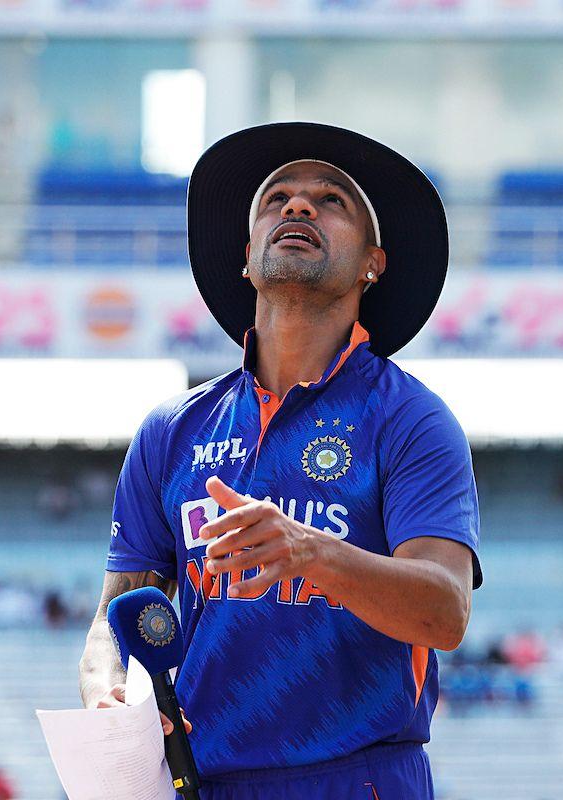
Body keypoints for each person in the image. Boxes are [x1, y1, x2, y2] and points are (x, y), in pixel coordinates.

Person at [78, 122, 481, 799]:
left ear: (372, 264)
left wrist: (307, 550)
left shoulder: (413, 419)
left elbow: (445, 614)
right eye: (278, 198)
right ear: (246, 256)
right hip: (201, 784)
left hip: (362, 780)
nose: (298, 207)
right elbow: (113, 621)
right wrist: (106, 691)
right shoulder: (170, 430)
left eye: (332, 200)